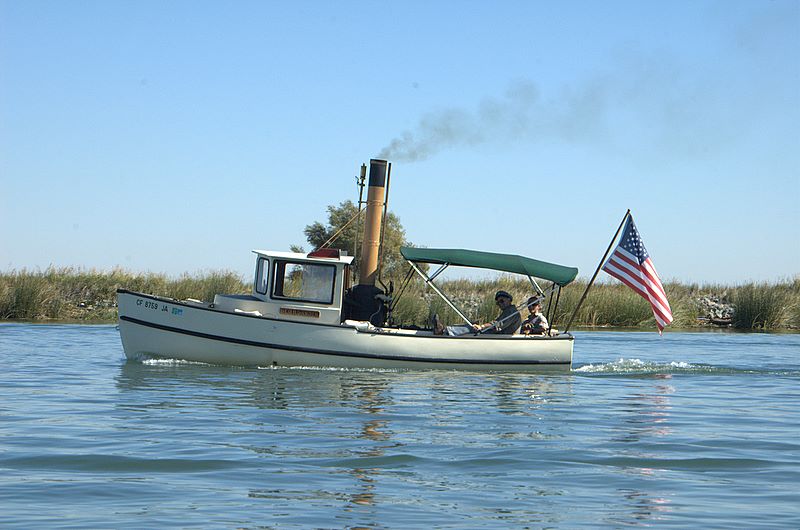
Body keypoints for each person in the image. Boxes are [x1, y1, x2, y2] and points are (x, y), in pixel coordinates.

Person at [435, 290, 521, 336]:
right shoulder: (508, 311)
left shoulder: (511, 312)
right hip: (497, 334)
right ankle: (447, 329)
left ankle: (443, 331)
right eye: (498, 303)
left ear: (509, 300)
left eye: (501, 301)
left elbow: (498, 325)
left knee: (473, 328)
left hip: (500, 336)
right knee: (473, 324)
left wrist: (482, 326)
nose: (500, 304)